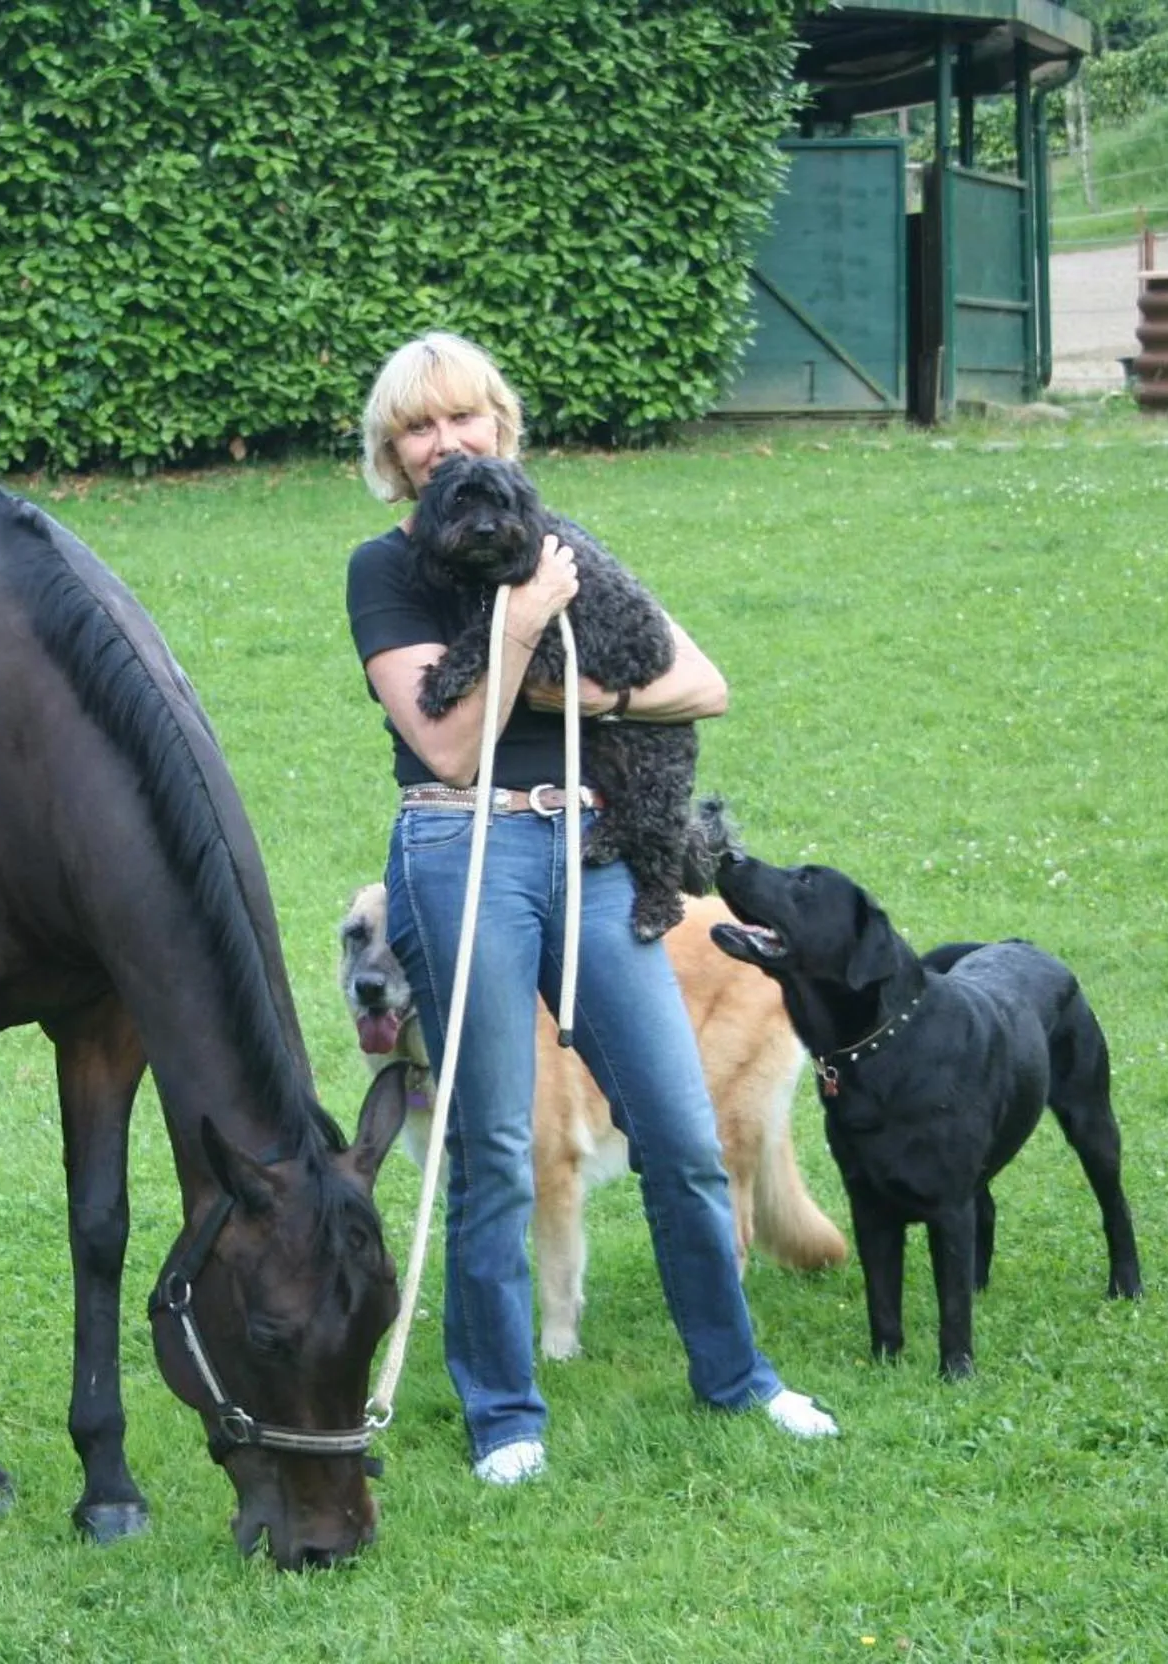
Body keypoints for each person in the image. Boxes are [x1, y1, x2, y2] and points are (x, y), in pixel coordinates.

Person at [344, 331, 837, 1485]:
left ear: (500, 426)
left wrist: (578, 671)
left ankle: (737, 1376)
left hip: (597, 844)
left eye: (463, 417)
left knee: (676, 1128)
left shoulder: (555, 540)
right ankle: (506, 1415)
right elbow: (450, 743)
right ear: (391, 451)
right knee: (499, 1150)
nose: (444, 441)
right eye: (418, 426)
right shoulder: (388, 570)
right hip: (460, 845)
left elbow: (702, 680)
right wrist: (519, 627)